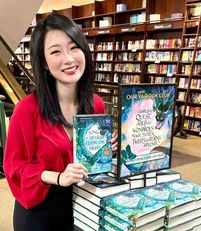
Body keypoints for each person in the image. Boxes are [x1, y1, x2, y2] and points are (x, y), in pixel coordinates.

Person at [3, 13, 118, 231]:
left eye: (74, 47)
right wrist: (58, 177)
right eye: (56, 51)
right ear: (44, 63)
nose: (68, 58)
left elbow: (92, 161)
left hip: (83, 203)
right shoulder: (27, 110)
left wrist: (107, 150)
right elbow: (15, 169)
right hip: (40, 209)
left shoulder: (96, 105)